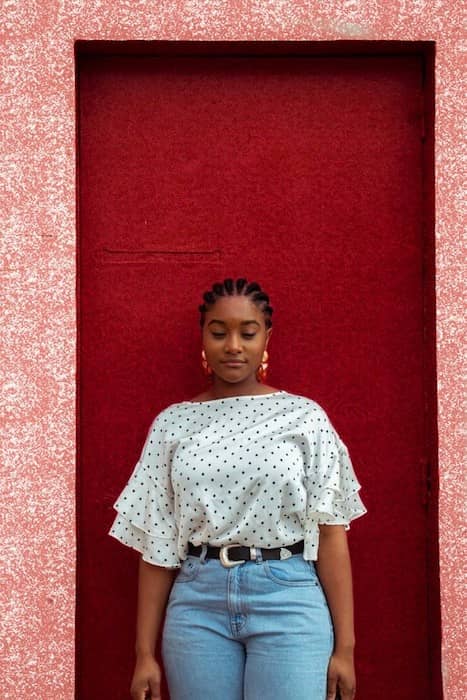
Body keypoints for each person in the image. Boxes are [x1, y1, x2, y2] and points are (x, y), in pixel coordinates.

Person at [109, 277, 367, 700]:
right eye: (219, 332)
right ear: (203, 338)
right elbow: (157, 545)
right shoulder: (172, 424)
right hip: (197, 603)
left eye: (247, 332)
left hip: (289, 598)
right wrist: (143, 654)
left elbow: (331, 532)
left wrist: (346, 647)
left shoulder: (304, 417)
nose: (233, 345)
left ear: (266, 338)